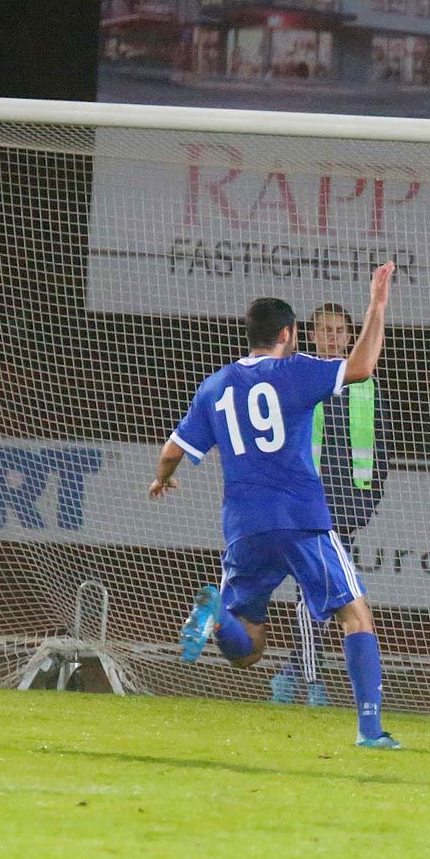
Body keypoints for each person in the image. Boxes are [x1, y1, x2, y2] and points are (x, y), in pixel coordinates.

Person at [151, 262, 401, 750]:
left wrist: (162, 481)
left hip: (244, 528)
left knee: (248, 652)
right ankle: (370, 731)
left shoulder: (215, 386)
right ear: (288, 334)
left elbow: (172, 449)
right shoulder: (296, 370)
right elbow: (362, 367)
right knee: (356, 617)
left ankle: (217, 618)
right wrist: (377, 305)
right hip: (302, 520)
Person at [269, 301, 390, 708]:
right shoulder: (298, 378)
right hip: (305, 504)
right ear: (313, 334)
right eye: (326, 330)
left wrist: (367, 501)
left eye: (341, 330)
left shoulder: (367, 384)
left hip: (346, 510)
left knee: (322, 593)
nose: (334, 336)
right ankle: (310, 678)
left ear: (350, 336)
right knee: (315, 592)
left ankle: (293, 672)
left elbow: (382, 449)